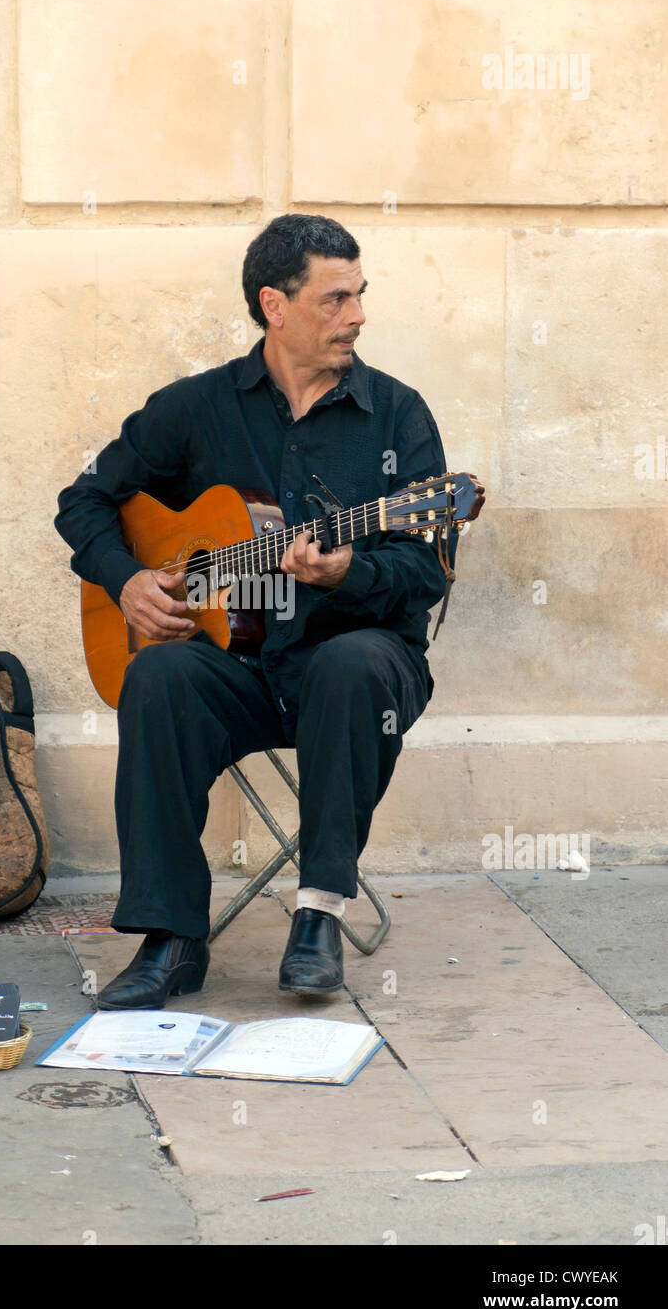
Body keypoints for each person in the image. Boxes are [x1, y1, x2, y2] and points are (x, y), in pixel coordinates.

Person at [55, 214, 483, 1010]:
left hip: (357, 663)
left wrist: (348, 568)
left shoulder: (397, 416)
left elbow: (423, 570)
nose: (357, 315)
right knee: (160, 675)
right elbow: (85, 503)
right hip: (241, 669)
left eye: (359, 295)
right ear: (274, 306)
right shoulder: (194, 409)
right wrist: (126, 582)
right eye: (334, 299)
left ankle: (318, 914)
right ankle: (171, 939)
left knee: (351, 664)